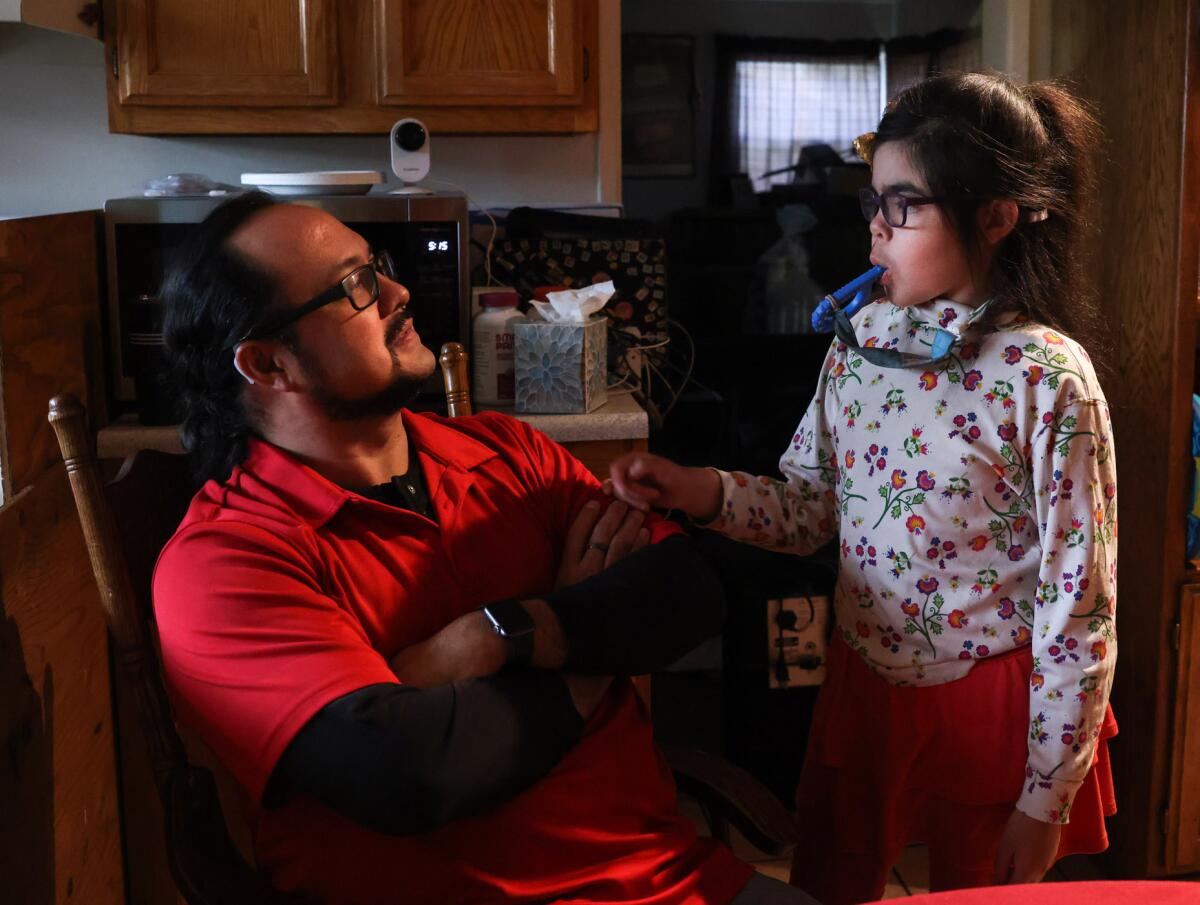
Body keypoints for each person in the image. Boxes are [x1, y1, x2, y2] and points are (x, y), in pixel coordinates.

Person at [152, 191, 820, 905]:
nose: (398, 293)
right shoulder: (223, 563)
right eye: (355, 287)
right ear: (267, 363)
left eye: (376, 267)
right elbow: (408, 772)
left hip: (666, 881)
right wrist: (585, 633)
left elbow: (687, 592)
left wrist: (500, 634)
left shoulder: (508, 453)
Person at [608, 72, 1118, 904]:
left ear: (994, 216)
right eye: (872, 203)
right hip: (866, 683)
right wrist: (696, 488)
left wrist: (1046, 793)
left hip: (991, 705)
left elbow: (1080, 605)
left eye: (903, 207)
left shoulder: (1047, 377)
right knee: (832, 884)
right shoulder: (865, 339)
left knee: (977, 892)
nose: (875, 231)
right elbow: (811, 511)